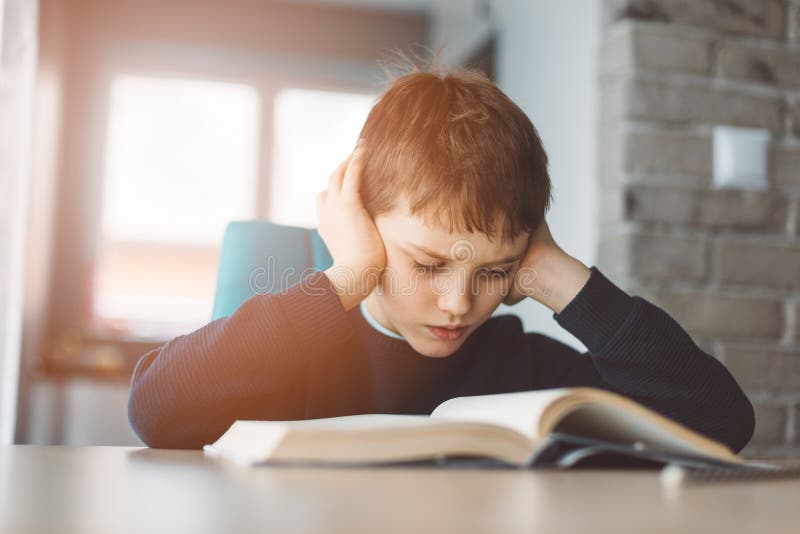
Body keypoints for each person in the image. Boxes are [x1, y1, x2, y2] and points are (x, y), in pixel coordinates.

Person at [127, 65, 754, 452]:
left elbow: (719, 422)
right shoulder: (287, 359)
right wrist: (346, 277)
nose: (459, 304)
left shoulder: (522, 369)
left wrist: (559, 276)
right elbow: (157, 410)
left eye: (494, 270)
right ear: (362, 225)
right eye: (427, 265)